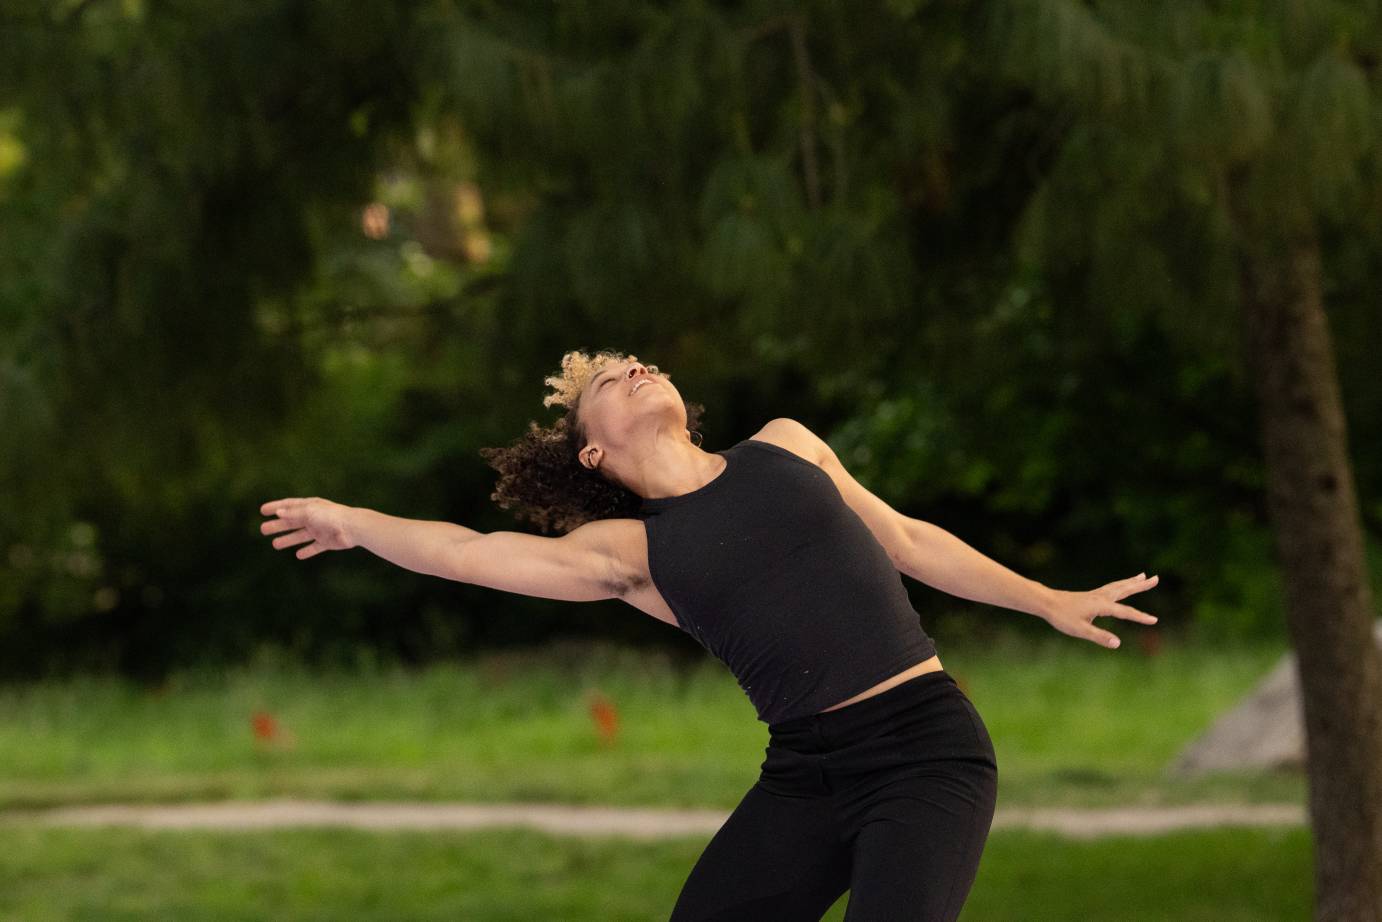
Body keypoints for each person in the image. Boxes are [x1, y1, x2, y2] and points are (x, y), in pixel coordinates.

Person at [259, 347, 1160, 921]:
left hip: (924, 751)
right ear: (591, 451)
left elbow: (910, 541)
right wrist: (353, 521)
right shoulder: (628, 551)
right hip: (804, 775)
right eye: (610, 380)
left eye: (640, 362)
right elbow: (465, 552)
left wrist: (1046, 598)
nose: (637, 368)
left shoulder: (788, 448)